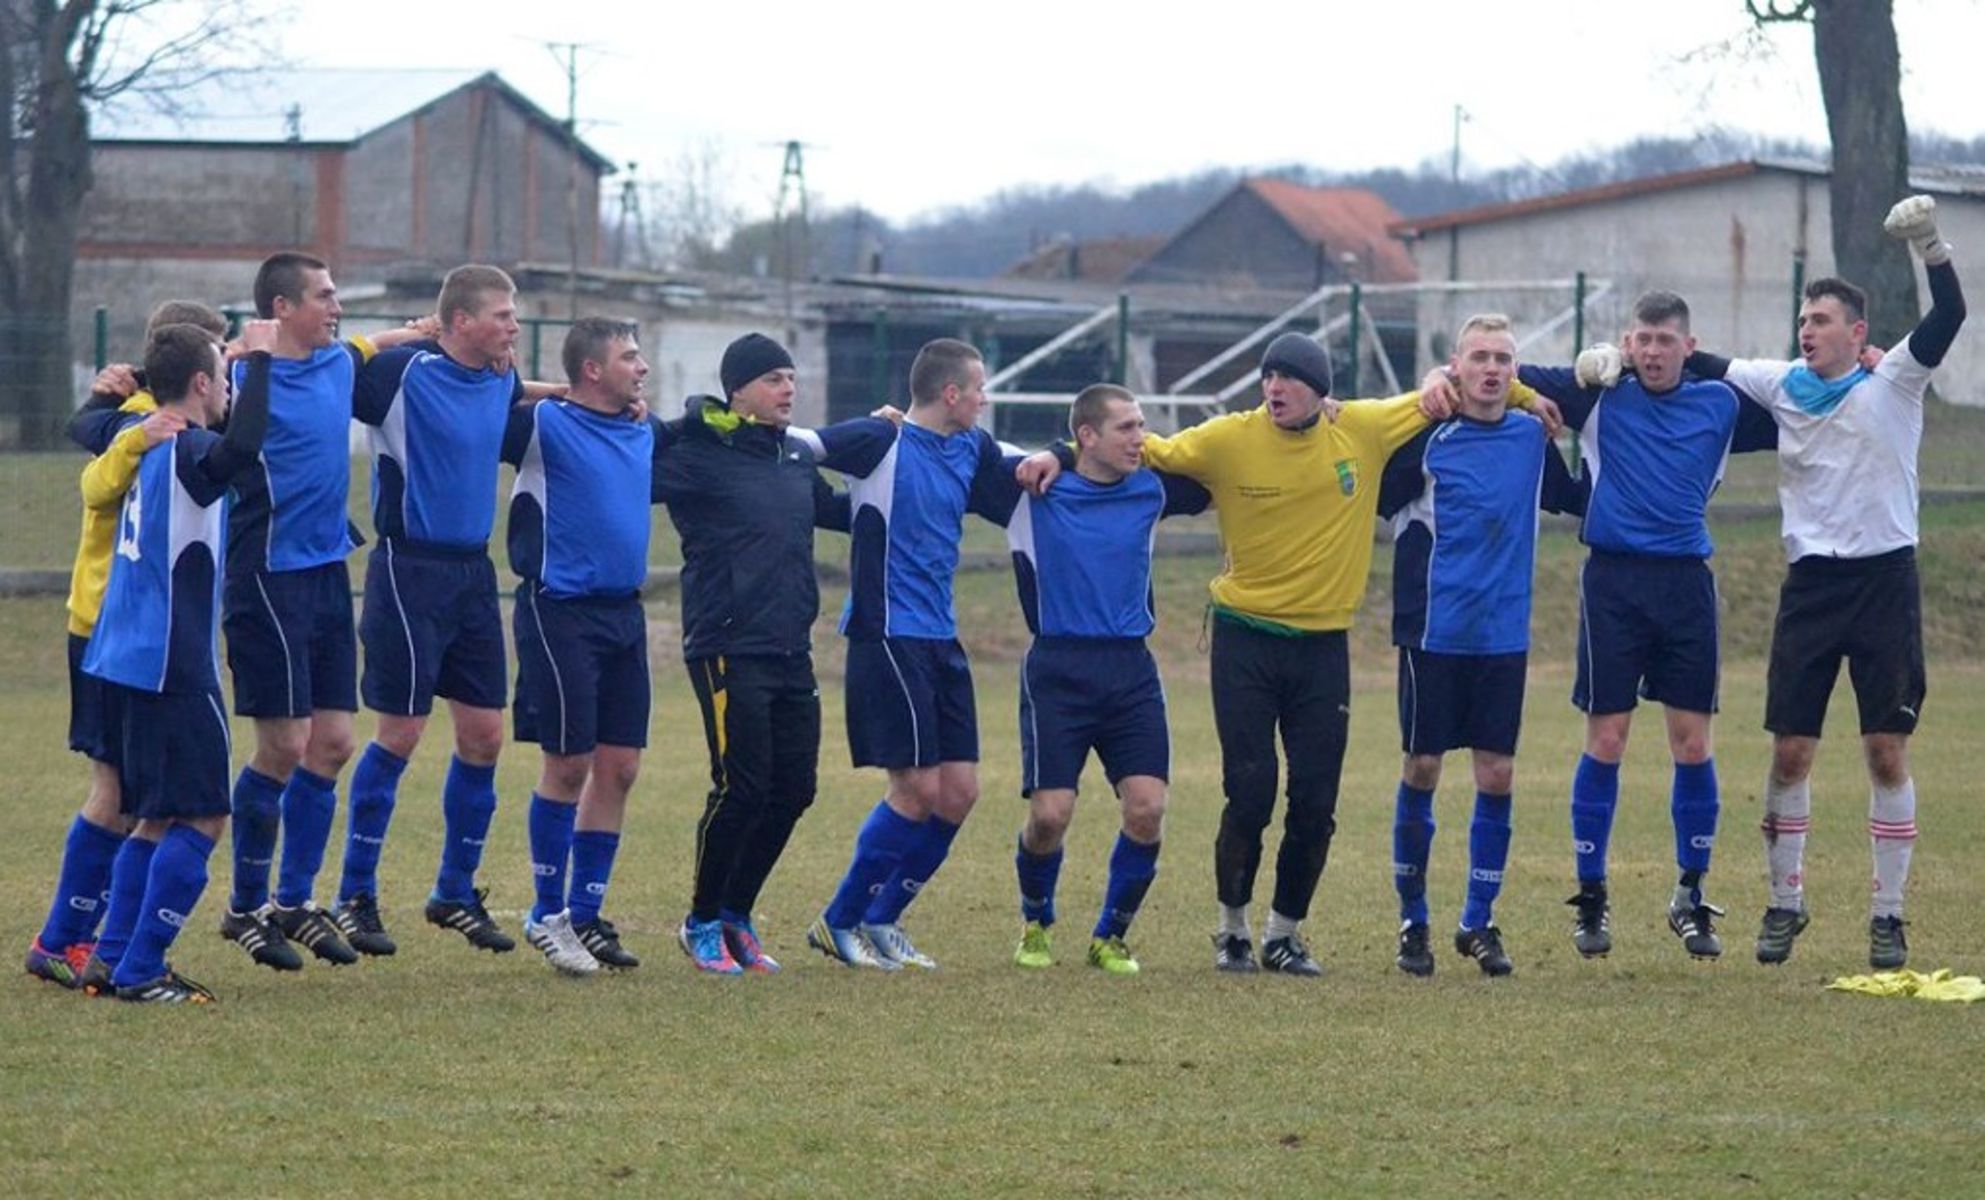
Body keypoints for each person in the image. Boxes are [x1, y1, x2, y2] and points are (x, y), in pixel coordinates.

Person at [1026, 333, 1544, 976]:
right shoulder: (1226, 440)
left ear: (1319, 391)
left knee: (1315, 801)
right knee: (1249, 791)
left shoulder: (1363, 428)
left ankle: (1284, 932)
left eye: (1289, 378)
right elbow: (1130, 448)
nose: (1274, 387)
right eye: (1268, 377)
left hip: (1324, 645)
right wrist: (1054, 450)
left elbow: (1459, 385)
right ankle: (1232, 930)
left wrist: (1522, 390)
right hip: (1244, 638)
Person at [1672, 196, 1966, 968]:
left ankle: (1888, 916)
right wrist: (1615, 365)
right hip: (1809, 587)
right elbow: (1696, 364)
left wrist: (1930, 247)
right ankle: (1783, 904)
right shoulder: (1781, 383)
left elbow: (1950, 314)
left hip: (1883, 583)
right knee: (1790, 753)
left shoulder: (1893, 381)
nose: (1807, 329)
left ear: (1858, 333)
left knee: (1883, 753)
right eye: (1803, 318)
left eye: (1823, 319)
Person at [1507, 291, 1775, 962]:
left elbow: (1804, 398)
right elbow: (1495, 371)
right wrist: (1531, 392)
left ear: (1687, 346)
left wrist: (1861, 365)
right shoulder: (1597, 392)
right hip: (1613, 584)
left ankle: (1689, 894)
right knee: (1606, 737)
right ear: (1626, 344)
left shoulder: (1721, 403)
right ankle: (1590, 896)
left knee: (1690, 744)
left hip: (1686, 585)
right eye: (1641, 340)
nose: (1651, 352)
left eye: (1665, 341)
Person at [799, 338, 1027, 971]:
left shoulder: (972, 448)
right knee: (917, 790)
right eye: (979, 388)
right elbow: (796, 447)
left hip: (940, 638)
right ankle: (838, 919)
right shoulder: (881, 442)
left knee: (958, 793)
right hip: (887, 634)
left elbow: (1033, 464)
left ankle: (882, 918)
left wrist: (1058, 461)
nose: (986, 398)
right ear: (951, 393)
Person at [25, 301, 224, 989]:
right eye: (218, 362)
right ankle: (67, 939)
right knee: (119, 791)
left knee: (139, 798)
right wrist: (127, 431)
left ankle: (100, 942)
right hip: (116, 629)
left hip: (124, 630)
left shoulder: (143, 417)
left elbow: (84, 423)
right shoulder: (148, 424)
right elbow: (92, 465)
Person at [1379, 315, 1584, 978]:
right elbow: (1370, 501)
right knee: (1423, 769)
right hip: (1433, 632)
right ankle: (1414, 922)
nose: (1491, 369)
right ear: (1455, 366)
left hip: (1502, 634)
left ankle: (1477, 920)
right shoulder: (1424, 438)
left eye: (1502, 358)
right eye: (1478, 358)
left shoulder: (1531, 437)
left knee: (1497, 774)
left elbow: (1575, 499)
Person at [83, 318, 278, 1001]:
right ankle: (142, 968)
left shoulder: (149, 443)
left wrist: (234, 358)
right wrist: (263, 359)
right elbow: (245, 445)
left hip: (129, 657)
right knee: (203, 817)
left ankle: (110, 955)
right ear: (201, 385)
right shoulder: (190, 447)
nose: (229, 390)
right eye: (222, 379)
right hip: (172, 662)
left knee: (156, 815)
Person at [342, 264, 529, 955]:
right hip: (406, 568)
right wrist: (402, 332)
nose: (513, 325)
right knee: (401, 733)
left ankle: (453, 891)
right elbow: (331, 366)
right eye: (502, 314)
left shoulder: (500, 377)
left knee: (484, 735)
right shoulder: (400, 374)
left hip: (474, 574)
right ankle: (354, 895)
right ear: (459, 323)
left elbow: (516, 397)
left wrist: (576, 391)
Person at [999, 384, 1208, 976]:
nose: (1140, 438)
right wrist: (1054, 455)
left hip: (1130, 671)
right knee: (1050, 816)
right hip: (1057, 670)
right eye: (1125, 428)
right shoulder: (1033, 489)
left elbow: (1232, 466)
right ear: (1086, 436)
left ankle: (1110, 936)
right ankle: (1036, 921)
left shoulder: (1153, 488)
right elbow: (959, 449)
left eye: (1141, 425)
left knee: (1146, 809)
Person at [662, 333, 854, 974]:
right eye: (773, 379)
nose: (788, 390)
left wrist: (896, 445)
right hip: (725, 645)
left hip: (789, 647)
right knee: (740, 788)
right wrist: (687, 417)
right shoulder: (696, 452)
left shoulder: (794, 458)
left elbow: (842, 511)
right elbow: (623, 455)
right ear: (737, 390)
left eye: (791, 379)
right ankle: (701, 921)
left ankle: (737, 913)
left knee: (794, 788)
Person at [505, 318, 661, 977]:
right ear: (591, 371)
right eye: (629, 357)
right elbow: (489, 391)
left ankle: (585, 912)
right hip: (557, 610)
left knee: (619, 767)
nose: (642, 368)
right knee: (567, 764)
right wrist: (558, 391)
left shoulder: (642, 428)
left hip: (623, 614)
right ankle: (546, 914)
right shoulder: (544, 424)